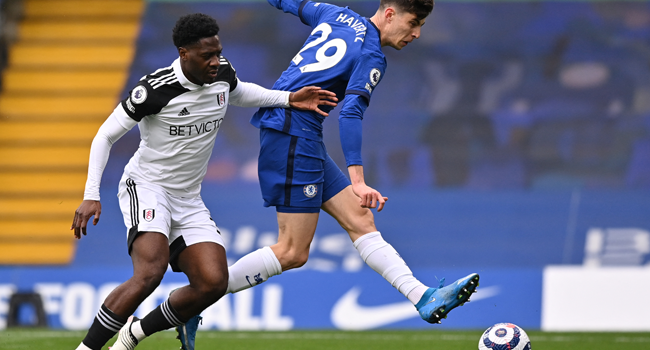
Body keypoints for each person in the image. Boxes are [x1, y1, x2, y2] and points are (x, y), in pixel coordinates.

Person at [176, 1, 480, 348]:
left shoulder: (336, 14)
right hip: (293, 133)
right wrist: (358, 180)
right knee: (292, 251)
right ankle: (192, 301)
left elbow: (293, 3)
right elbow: (350, 113)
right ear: (391, 12)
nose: (417, 33)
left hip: (297, 132)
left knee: (361, 220)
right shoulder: (371, 55)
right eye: (414, 22)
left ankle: (423, 298)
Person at [70, 13, 337, 350]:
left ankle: (134, 333)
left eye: (218, 52)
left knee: (212, 282)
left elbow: (240, 93)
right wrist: (91, 194)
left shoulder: (221, 73)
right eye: (206, 55)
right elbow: (104, 136)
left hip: (188, 197)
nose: (216, 61)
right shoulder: (154, 89)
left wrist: (287, 98)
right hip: (148, 186)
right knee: (150, 272)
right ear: (184, 53)